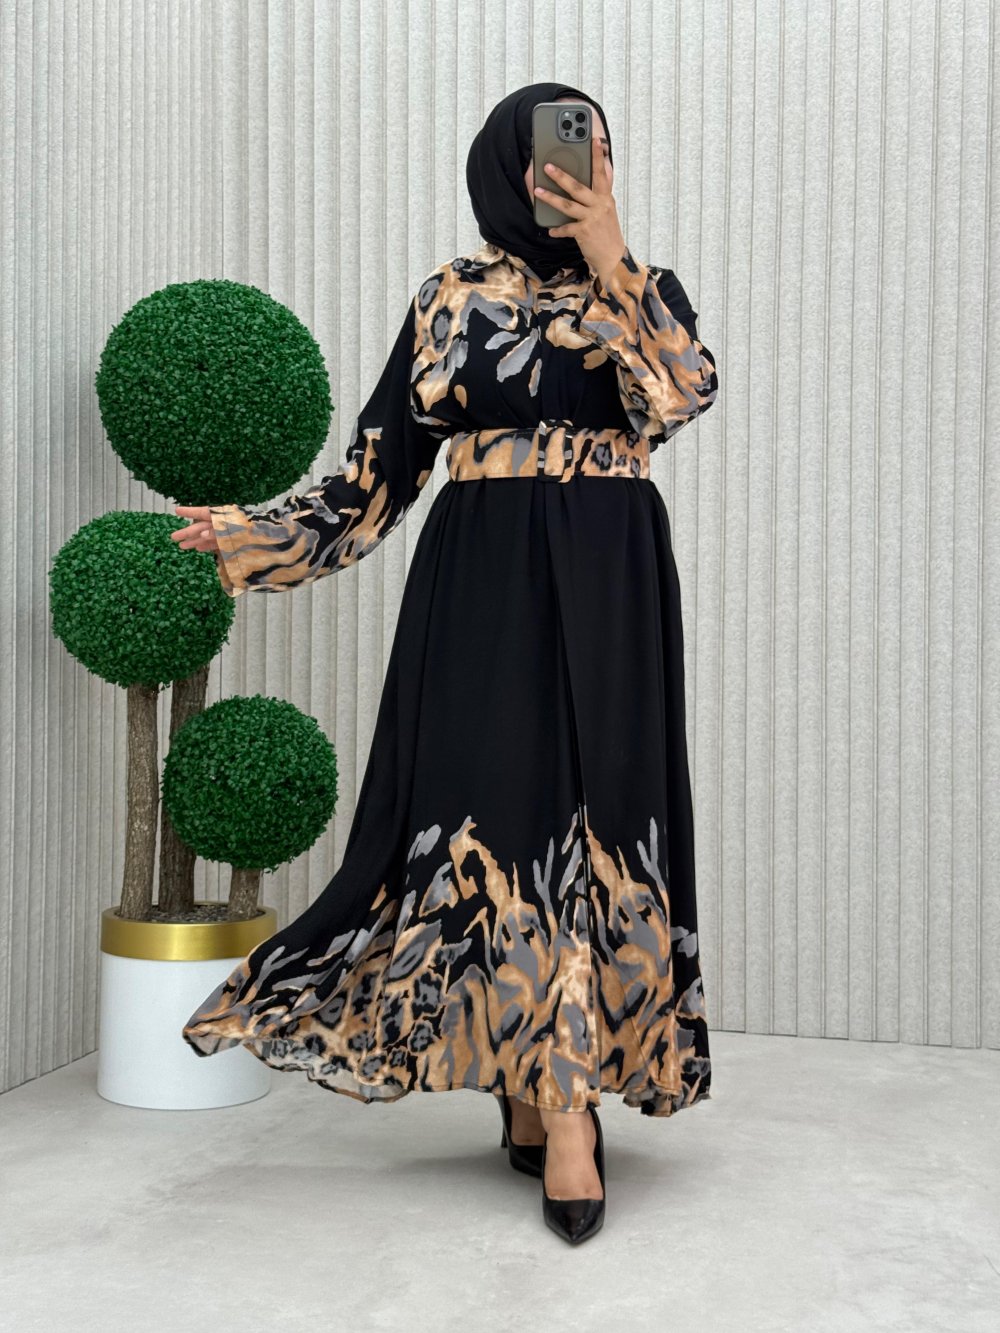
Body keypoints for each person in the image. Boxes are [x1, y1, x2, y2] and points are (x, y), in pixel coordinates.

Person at [173, 81, 718, 1246]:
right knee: (499, 825)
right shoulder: (451, 300)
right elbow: (375, 477)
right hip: (482, 585)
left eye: (598, 150)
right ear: (502, 168)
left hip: (613, 580)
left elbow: (680, 397)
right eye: (556, 150)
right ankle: (543, 1094)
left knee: (602, 824)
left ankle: (559, 1100)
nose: (578, 167)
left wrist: (610, 253)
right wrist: (253, 538)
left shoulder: (642, 290)